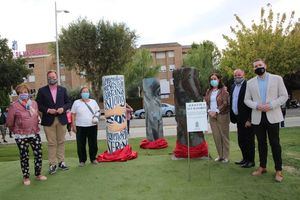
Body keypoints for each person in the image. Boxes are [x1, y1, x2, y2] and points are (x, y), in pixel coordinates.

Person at [244, 58, 288, 182]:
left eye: (260, 65)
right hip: (258, 117)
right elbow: (246, 100)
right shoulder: (250, 82)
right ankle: (262, 167)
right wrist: (257, 106)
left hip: (273, 116)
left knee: (275, 144)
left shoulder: (277, 78)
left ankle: (278, 170)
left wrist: (271, 105)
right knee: (261, 144)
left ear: (265, 66)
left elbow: (284, 96)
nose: (258, 67)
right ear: (253, 69)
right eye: (255, 66)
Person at [6, 84, 47, 185]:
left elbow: (36, 115)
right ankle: (26, 177)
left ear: (28, 93)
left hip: (34, 133)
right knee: (24, 156)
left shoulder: (34, 103)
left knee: (38, 153)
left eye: (25, 92)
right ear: (18, 94)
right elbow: (10, 122)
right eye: (21, 93)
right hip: (21, 135)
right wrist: (15, 130)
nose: (23, 94)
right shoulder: (14, 105)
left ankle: (38, 174)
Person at [36, 70, 71, 174]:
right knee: (52, 143)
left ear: (57, 77)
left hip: (61, 119)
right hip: (48, 120)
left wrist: (63, 109)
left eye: (53, 76)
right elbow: (38, 104)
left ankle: (61, 162)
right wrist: (47, 110)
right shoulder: (42, 90)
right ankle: (52, 164)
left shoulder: (63, 90)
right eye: (50, 77)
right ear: (47, 78)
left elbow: (68, 103)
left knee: (61, 141)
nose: (52, 78)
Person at [230, 69, 255, 168]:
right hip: (238, 118)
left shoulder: (249, 86)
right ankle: (245, 159)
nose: (237, 76)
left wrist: (249, 119)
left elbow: (252, 103)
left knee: (249, 141)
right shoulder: (233, 86)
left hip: (247, 119)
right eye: (235, 75)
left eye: (239, 75)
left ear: (244, 75)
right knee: (241, 140)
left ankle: (251, 161)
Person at [71, 86, 100, 166]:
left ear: (89, 93)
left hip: (92, 126)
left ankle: (93, 158)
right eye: (83, 92)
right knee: (80, 144)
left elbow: (97, 112)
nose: (85, 93)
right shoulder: (76, 102)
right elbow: (72, 114)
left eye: (87, 92)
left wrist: (97, 123)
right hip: (80, 126)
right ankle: (82, 160)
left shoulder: (93, 102)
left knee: (93, 143)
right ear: (81, 93)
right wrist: (73, 125)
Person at [205, 72, 230, 163]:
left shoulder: (223, 90)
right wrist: (209, 111)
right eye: (211, 79)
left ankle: (226, 156)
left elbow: (225, 103)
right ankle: (220, 155)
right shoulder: (209, 91)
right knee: (216, 136)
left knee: (224, 136)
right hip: (211, 116)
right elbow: (207, 103)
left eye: (215, 79)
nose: (213, 81)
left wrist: (216, 111)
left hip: (222, 115)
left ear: (219, 80)